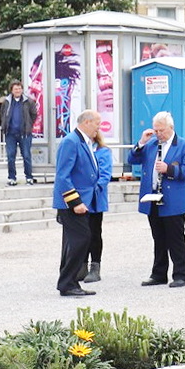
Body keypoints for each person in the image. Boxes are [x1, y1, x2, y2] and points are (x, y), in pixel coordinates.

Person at [130, 111, 185, 288]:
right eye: (156, 130)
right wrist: (141, 142)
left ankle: (181, 274)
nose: (158, 134)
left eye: (161, 130)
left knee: (176, 238)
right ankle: (159, 274)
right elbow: (132, 159)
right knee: (158, 238)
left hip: (173, 199)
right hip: (152, 196)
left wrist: (169, 169)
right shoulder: (151, 144)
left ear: (171, 127)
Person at [52, 109, 103, 297]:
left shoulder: (82, 141)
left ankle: (69, 282)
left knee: (76, 241)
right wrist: (75, 202)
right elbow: (63, 175)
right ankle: (67, 282)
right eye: (97, 123)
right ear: (87, 122)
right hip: (73, 203)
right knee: (80, 239)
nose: (99, 127)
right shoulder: (71, 142)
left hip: (83, 200)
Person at [84, 119, 112, 284]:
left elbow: (105, 175)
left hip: (95, 198)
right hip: (80, 198)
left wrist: (91, 191)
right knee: (81, 234)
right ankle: (81, 265)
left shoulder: (103, 151)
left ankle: (95, 267)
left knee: (94, 233)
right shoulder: (79, 147)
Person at [0, 81, 40, 185]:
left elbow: (34, 114)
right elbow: (2, 114)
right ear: (11, 90)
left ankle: (29, 177)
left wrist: (28, 125)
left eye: (19, 89)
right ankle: (12, 178)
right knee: (10, 156)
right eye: (15, 89)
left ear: (22, 90)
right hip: (10, 134)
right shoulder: (6, 102)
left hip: (24, 133)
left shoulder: (28, 101)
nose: (18, 91)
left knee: (26, 155)